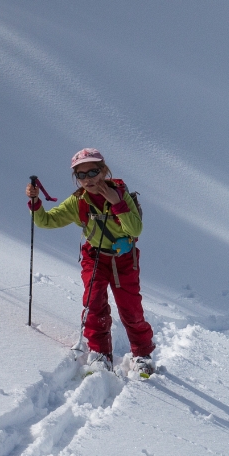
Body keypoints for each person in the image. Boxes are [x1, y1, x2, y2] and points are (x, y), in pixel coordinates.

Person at [27, 148, 154, 376]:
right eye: (81, 175)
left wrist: (116, 203)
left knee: (131, 309)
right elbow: (46, 221)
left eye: (93, 172)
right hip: (95, 258)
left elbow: (136, 229)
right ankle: (100, 353)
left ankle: (142, 354)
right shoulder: (78, 202)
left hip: (124, 260)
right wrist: (35, 203)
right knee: (94, 304)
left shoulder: (121, 195)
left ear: (104, 170)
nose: (88, 179)